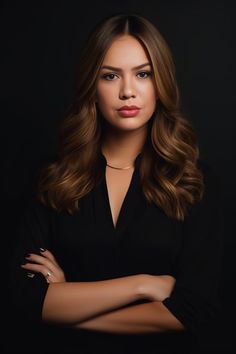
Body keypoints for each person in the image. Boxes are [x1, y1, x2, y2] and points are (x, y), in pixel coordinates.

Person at [9, 12, 223, 354]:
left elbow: (195, 309)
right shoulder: (53, 178)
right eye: (110, 76)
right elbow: (22, 299)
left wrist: (65, 306)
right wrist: (142, 286)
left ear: (161, 83)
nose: (127, 91)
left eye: (142, 74)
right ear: (91, 86)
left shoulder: (194, 181)